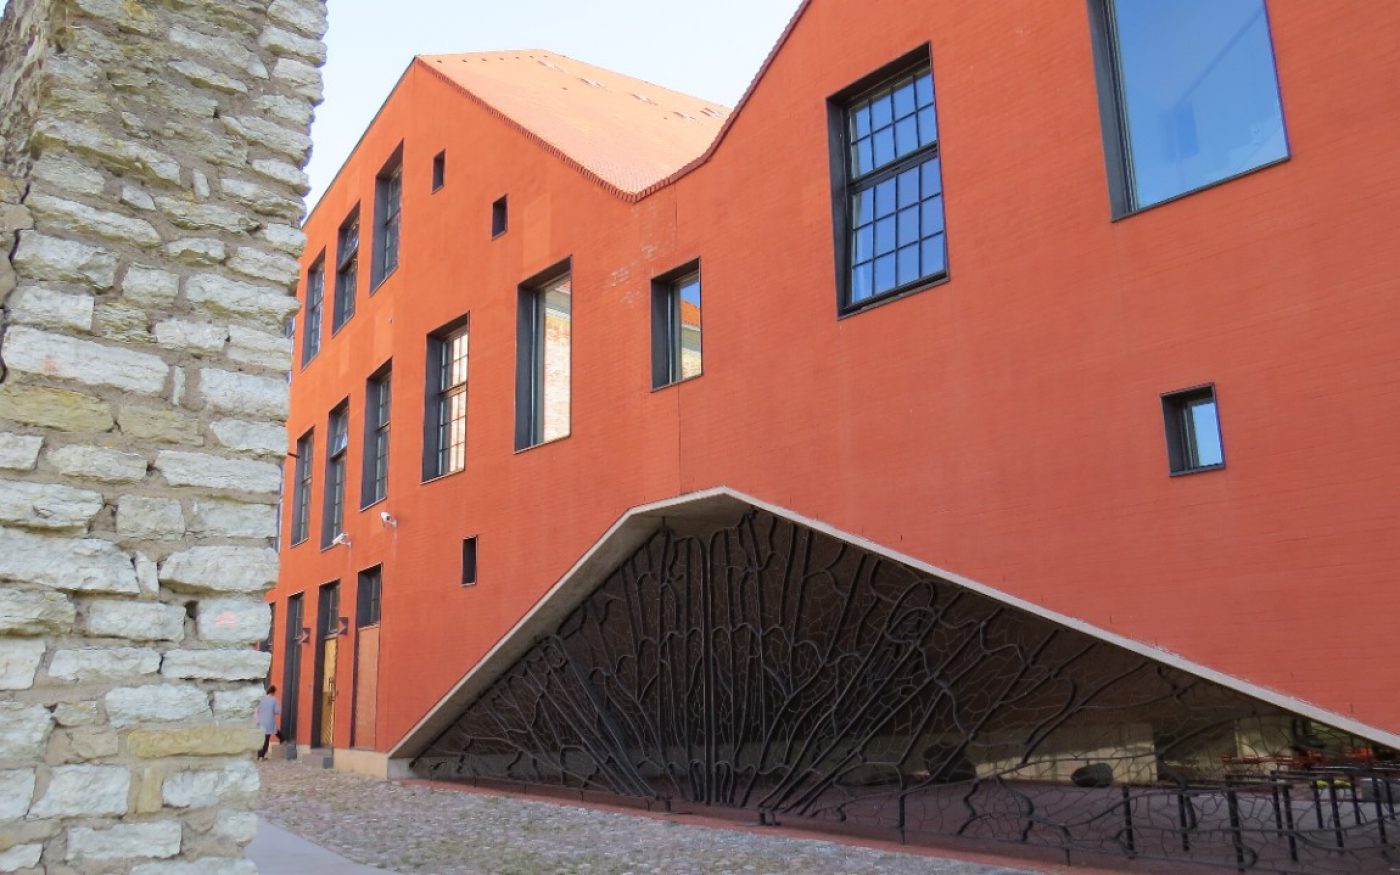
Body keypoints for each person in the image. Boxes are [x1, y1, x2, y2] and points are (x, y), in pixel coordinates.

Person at [256, 686, 283, 761]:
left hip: (260, 721)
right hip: (269, 721)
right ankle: (261, 756)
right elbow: (277, 711)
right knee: (266, 739)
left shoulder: (261, 699)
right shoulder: (274, 700)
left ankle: (259, 756)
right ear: (273, 692)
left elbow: (256, 710)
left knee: (261, 739)